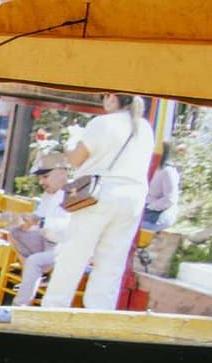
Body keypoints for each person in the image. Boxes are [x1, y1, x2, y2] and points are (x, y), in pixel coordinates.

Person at [42, 93, 155, 311]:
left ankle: (53, 309)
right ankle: (99, 313)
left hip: (99, 195)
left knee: (74, 255)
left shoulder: (102, 123)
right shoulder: (145, 128)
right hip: (133, 197)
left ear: (112, 98)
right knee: (112, 261)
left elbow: (76, 159)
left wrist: (70, 143)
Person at [7, 154, 71, 305]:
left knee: (34, 261)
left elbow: (68, 229)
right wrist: (25, 221)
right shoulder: (48, 195)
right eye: (40, 178)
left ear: (62, 172)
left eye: (46, 177)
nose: (41, 182)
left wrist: (39, 222)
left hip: (65, 248)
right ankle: (38, 275)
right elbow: (38, 221)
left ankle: (20, 305)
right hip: (47, 243)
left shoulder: (72, 193)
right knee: (14, 232)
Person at [144, 143, 180, 230]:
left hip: (157, 214)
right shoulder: (147, 167)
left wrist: (149, 207)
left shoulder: (167, 171)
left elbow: (170, 199)